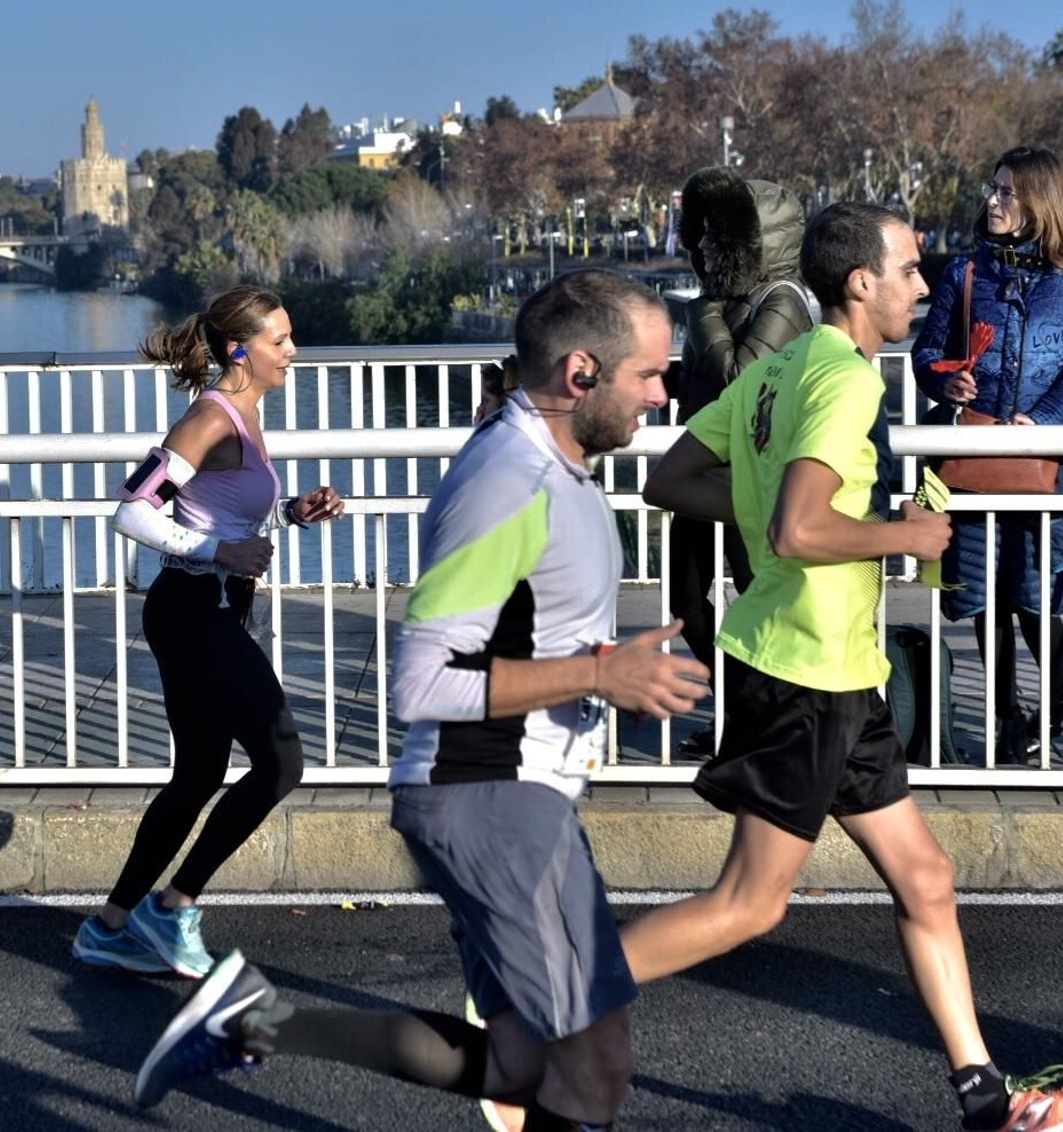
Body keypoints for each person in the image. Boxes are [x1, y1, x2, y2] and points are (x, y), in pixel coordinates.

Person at [131, 270, 711, 1131]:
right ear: (581, 374)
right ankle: (164, 934)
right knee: (588, 1069)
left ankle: (253, 1021)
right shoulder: (514, 480)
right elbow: (422, 681)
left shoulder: (556, 461)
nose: (666, 398)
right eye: (651, 376)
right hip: (491, 799)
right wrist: (599, 675)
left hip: (525, 794)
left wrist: (603, 675)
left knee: (525, 1065)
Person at [628, 202, 1063, 1131]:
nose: (924, 286)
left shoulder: (780, 370)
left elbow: (671, 480)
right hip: (803, 671)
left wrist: (775, 494)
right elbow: (800, 528)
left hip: (843, 673)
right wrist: (909, 533)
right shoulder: (845, 382)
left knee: (926, 879)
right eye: (909, 270)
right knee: (746, 905)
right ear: (862, 282)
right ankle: (540, 1006)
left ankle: (987, 1102)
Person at [70, 285, 343, 979]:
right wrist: (218, 554)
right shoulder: (212, 419)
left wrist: (291, 514)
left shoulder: (245, 416)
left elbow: (222, 512)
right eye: (280, 341)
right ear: (238, 350)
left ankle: (108, 928)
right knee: (281, 762)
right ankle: (172, 906)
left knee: (198, 775)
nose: (293, 351)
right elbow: (133, 512)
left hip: (203, 610)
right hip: (193, 611)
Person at [912, 146, 1063, 763]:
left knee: (1035, 590)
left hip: (1046, 462)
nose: (992, 202)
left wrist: (1041, 419)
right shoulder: (965, 272)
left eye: (1006, 193)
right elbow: (926, 354)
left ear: (1039, 202)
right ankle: (1004, 713)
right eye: (992, 190)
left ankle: (1054, 698)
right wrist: (947, 381)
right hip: (973, 458)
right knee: (981, 594)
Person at [668, 166, 813, 757]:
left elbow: (738, 381)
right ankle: (737, 707)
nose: (701, 244)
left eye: (715, 235)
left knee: (754, 599)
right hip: (704, 476)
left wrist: (699, 310)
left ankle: (759, 720)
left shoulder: (785, 300)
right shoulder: (729, 299)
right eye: (698, 232)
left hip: (752, 480)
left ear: (753, 243)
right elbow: (704, 380)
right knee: (685, 601)